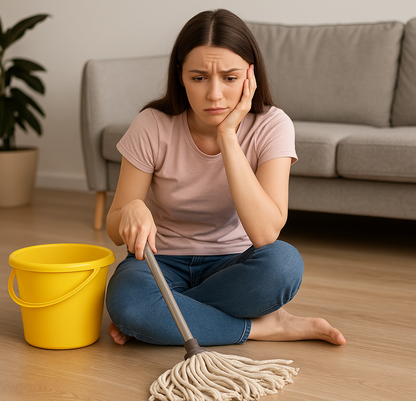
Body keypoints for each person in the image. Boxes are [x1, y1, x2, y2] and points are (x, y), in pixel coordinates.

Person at [105, 9, 346, 347]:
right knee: (128, 298)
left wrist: (228, 136)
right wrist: (130, 209)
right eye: (198, 77)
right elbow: (115, 228)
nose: (214, 95)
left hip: (232, 265)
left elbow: (265, 233)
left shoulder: (272, 125)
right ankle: (265, 327)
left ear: (251, 76)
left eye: (230, 78)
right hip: (161, 264)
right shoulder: (152, 124)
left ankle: (164, 317)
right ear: (180, 76)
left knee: (283, 264)